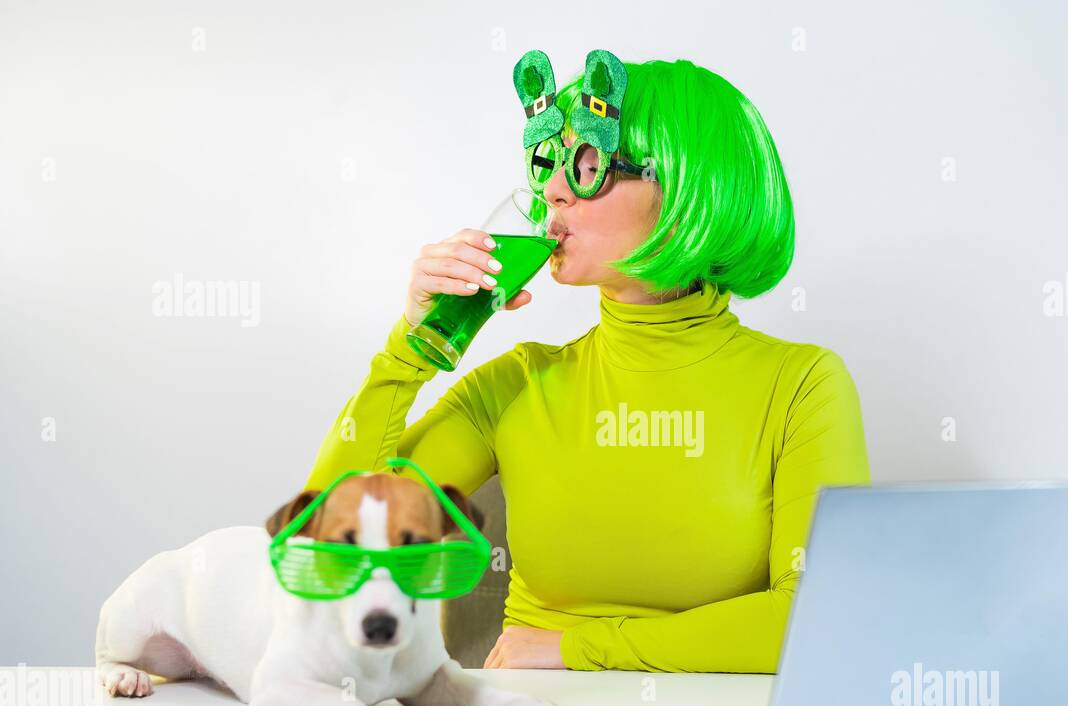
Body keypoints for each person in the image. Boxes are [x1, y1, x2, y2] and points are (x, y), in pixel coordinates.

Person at [303, 55, 870, 672]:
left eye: (590, 165)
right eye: (549, 161)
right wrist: (410, 349)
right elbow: (329, 545)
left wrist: (580, 650)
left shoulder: (802, 386)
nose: (553, 190)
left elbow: (822, 615)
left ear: (686, 191)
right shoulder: (515, 384)